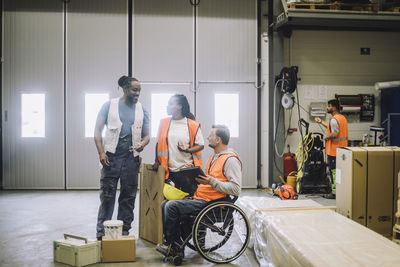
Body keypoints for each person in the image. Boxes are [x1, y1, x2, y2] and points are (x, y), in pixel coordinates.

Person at [156, 125, 242, 259]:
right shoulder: (215, 157)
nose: (207, 137)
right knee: (164, 204)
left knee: (171, 206)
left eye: (210, 135)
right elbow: (210, 180)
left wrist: (211, 181)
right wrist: (195, 175)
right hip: (202, 198)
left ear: (218, 140)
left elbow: (236, 189)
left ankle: (172, 245)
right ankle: (176, 244)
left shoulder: (230, 160)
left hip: (212, 203)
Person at [94, 75, 150, 240]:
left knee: (128, 197)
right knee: (107, 196)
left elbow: (147, 135)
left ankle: (123, 231)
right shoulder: (109, 106)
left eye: (139, 90)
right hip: (111, 158)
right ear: (125, 89)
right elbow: (97, 131)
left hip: (131, 159)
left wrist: (143, 144)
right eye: (134, 89)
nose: (138, 93)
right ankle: (102, 232)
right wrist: (101, 152)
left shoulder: (142, 110)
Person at [153, 94, 204, 196]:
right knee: (168, 203)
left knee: (186, 203)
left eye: (170, 104)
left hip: (186, 171)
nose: (167, 106)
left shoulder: (192, 124)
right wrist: (156, 160)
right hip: (168, 172)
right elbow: (158, 143)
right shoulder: (163, 123)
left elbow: (201, 145)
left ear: (179, 106)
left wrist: (187, 150)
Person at [315, 99, 348, 196]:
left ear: (333, 108)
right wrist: (321, 122)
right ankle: (340, 192)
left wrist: (326, 136)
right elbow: (332, 128)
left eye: (329, 106)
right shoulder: (341, 118)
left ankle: (334, 193)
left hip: (334, 151)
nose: (327, 108)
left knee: (334, 172)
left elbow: (335, 133)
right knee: (339, 172)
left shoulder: (334, 119)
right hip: (342, 151)